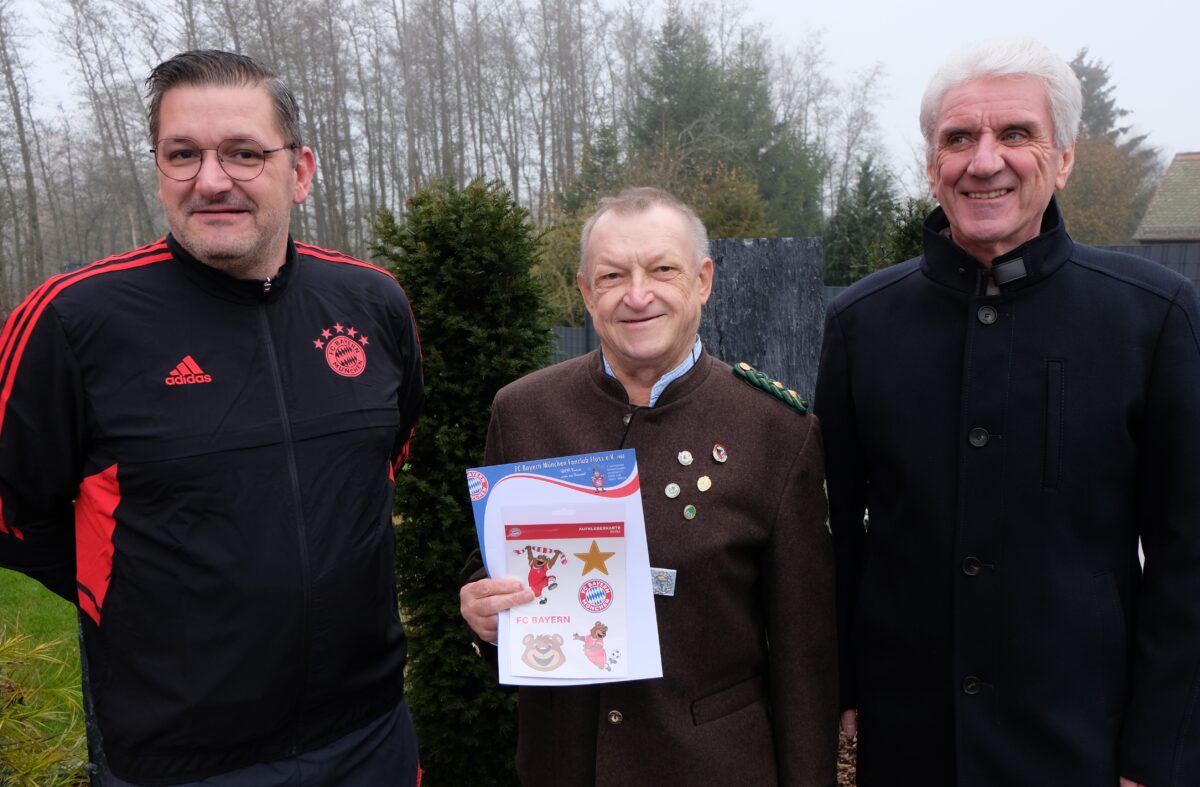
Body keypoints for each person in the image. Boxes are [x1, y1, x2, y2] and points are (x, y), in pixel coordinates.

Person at [0, 50, 424, 786]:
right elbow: (11, 509)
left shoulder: (373, 302)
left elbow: (384, 458)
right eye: (183, 154)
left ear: (299, 170)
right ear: (159, 168)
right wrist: (143, 596)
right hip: (178, 758)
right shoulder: (73, 319)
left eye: (243, 153)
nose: (212, 179)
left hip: (369, 733)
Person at [815, 37, 1200, 787]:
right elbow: (837, 540)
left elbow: (1189, 557)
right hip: (912, 745)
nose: (983, 160)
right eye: (958, 138)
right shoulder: (863, 323)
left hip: (1086, 746)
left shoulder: (1152, 317)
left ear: (1063, 157)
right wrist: (844, 693)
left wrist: (1160, 753)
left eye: (1016, 134)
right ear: (932, 164)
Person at [459, 187, 837, 786]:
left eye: (663, 269)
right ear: (585, 292)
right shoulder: (524, 411)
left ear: (703, 280)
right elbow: (498, 571)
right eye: (612, 276)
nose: (638, 295)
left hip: (713, 768)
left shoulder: (775, 431)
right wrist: (484, 614)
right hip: (565, 764)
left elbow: (804, 656)